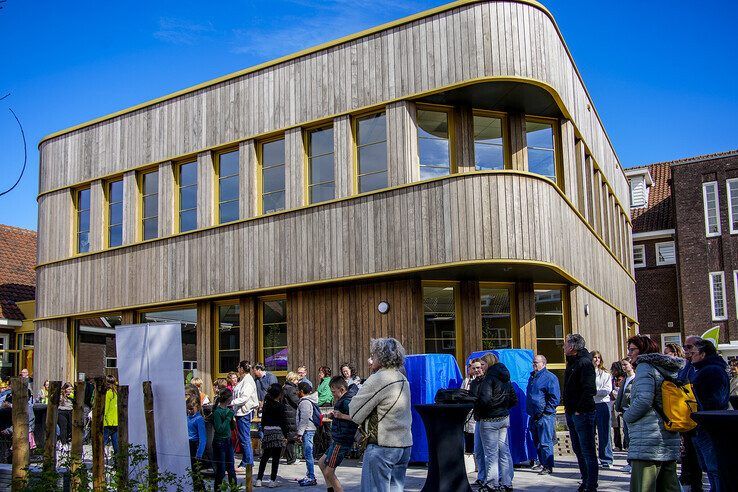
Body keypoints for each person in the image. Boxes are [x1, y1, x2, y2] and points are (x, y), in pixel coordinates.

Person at [349, 338, 412, 492]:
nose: (370, 360)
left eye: (373, 355)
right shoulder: (402, 378)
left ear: (382, 357)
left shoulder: (379, 378)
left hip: (382, 446)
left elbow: (354, 413)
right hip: (403, 445)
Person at [623, 335, 682, 492]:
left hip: (647, 440)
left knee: (643, 487)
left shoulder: (644, 367)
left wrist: (627, 416)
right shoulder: (665, 368)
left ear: (643, 350)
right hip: (667, 437)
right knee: (669, 487)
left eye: (632, 349)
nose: (629, 353)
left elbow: (643, 400)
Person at [471, 352, 515, 492]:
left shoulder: (489, 378)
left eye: (483, 364)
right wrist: (502, 407)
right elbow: (514, 399)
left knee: (490, 454)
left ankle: (491, 484)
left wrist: (477, 408)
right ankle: (507, 482)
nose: (481, 368)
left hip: (489, 419)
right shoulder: (506, 377)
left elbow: (485, 399)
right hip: (503, 418)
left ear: (488, 363)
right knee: (504, 451)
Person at [691, 338, 729, 491]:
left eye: (693, 353)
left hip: (709, 426)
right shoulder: (708, 369)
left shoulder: (711, 371)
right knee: (711, 467)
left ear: (703, 354)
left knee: (713, 467)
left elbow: (715, 400)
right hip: (707, 424)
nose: (690, 356)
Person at [563, 334, 597, 492]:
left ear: (572, 347)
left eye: (565, 344)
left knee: (587, 450)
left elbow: (590, 389)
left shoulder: (584, 363)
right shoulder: (572, 363)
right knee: (577, 448)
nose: (563, 347)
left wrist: (578, 410)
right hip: (571, 412)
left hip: (581, 413)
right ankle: (585, 480)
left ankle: (591, 485)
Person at [319, 376, 360, 492]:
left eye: (333, 392)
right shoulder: (343, 400)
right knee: (322, 463)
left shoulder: (347, 401)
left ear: (342, 389)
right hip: (337, 439)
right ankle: (331, 489)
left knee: (329, 471)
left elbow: (358, 417)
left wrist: (341, 416)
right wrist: (335, 416)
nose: (333, 395)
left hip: (342, 441)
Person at [526, 354, 560, 476]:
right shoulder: (533, 377)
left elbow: (555, 398)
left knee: (546, 442)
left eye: (536, 362)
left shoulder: (550, 378)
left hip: (545, 416)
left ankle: (548, 466)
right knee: (537, 441)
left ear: (543, 363)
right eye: (533, 362)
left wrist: (546, 412)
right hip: (533, 414)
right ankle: (541, 462)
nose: (534, 364)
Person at [678, 336, 703, 492]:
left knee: (702, 457)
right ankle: (691, 483)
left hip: (700, 417)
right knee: (689, 454)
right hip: (688, 417)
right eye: (684, 347)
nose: (686, 350)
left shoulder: (702, 368)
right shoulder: (687, 365)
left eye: (689, 347)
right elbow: (681, 380)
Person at [255, 384, 289, 488]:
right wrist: (286, 435)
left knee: (265, 457)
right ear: (279, 394)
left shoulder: (266, 405)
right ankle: (272, 480)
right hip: (278, 432)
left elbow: (263, 421)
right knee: (275, 458)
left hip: (268, 432)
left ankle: (259, 480)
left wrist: (264, 430)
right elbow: (284, 422)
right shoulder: (280, 406)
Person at [232, 360, 259, 473]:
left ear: (242, 369)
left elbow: (245, 397)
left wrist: (231, 402)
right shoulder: (244, 379)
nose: (238, 369)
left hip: (244, 412)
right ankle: (246, 461)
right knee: (243, 438)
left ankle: (247, 463)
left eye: (238, 367)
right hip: (240, 412)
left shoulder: (248, 381)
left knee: (245, 438)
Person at [592, 351, 613, 468]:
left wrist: (593, 392)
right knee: (589, 433)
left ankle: (606, 459)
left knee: (604, 432)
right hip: (590, 404)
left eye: (598, 357)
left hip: (602, 404)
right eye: (594, 357)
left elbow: (607, 390)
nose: (596, 360)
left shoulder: (605, 374)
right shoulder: (588, 373)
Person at [213, 388, 237, 490]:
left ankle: (234, 489)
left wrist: (232, 420)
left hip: (228, 440)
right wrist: (228, 418)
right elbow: (219, 429)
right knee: (221, 470)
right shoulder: (217, 412)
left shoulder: (228, 410)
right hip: (220, 442)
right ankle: (217, 489)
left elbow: (231, 428)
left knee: (231, 469)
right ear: (228, 398)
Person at [296, 381, 319, 487]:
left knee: (308, 454)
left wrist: (300, 433)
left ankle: (311, 476)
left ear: (301, 391)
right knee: (308, 453)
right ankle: (309, 474)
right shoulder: (307, 400)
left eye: (297, 390)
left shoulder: (305, 402)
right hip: (309, 429)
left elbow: (304, 419)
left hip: (307, 430)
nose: (296, 392)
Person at [615, 357, 636, 472]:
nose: (623, 367)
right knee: (627, 437)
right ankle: (630, 462)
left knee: (632, 438)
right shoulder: (625, 379)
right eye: (622, 365)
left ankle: (633, 463)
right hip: (624, 411)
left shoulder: (635, 378)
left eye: (625, 365)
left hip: (631, 410)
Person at [462, 359, 481, 461]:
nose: (475, 370)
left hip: (478, 414)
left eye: (477, 368)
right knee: (468, 437)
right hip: (468, 415)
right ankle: (470, 462)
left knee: (477, 439)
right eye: (473, 368)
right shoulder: (466, 381)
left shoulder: (483, 381)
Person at [186, 396, 206, 491]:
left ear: (197, 406)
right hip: (188, 445)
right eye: (188, 409)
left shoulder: (199, 419)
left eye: (191, 409)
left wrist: (199, 453)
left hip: (195, 445)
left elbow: (203, 438)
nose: (189, 411)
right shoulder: (187, 417)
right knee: (190, 471)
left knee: (196, 473)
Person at [282, 371, 301, 465]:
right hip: (291, 414)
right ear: (292, 379)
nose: (298, 381)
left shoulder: (285, 387)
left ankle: (289, 457)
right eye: (297, 379)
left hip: (286, 414)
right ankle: (291, 459)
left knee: (289, 436)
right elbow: (296, 401)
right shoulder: (291, 389)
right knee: (291, 437)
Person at [103, 375, 119, 455]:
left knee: (102, 443)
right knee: (116, 444)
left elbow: (105, 408)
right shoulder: (116, 393)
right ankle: (117, 463)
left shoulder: (108, 393)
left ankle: (99, 462)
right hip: (116, 421)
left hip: (107, 421)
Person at [58, 382, 74, 448]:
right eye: (68, 389)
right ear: (65, 389)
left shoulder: (72, 395)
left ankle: (68, 440)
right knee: (63, 426)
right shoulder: (61, 395)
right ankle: (63, 442)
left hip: (70, 411)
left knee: (70, 427)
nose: (70, 391)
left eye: (71, 389)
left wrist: (70, 395)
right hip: (62, 411)